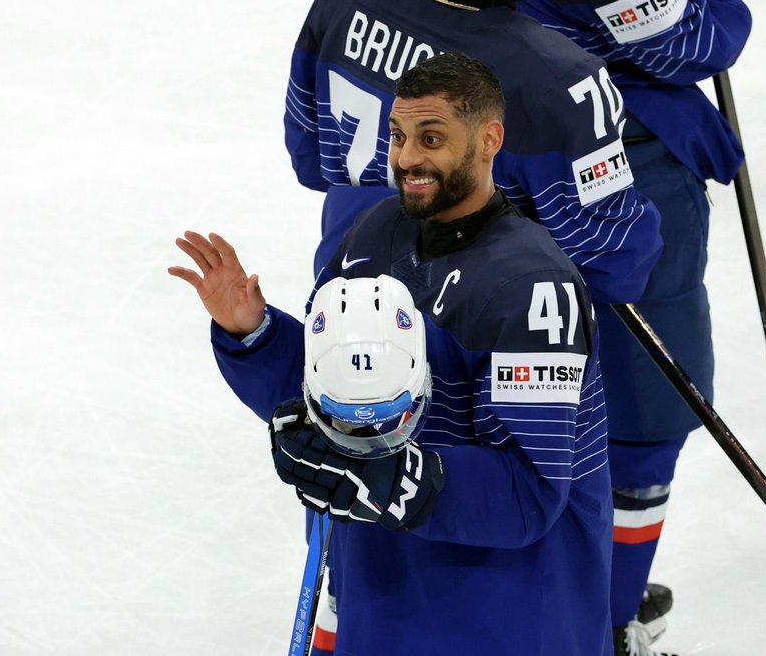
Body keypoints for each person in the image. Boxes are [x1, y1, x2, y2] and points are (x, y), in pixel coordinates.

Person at [282, 0, 671, 651]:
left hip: (350, 303)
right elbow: (621, 257)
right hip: (487, 335)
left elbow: (310, 157)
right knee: (497, 533)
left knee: (353, 513)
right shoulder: (558, 77)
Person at [171, 52, 614, 655]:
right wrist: (256, 334)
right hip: (387, 594)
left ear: (489, 141)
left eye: (431, 138)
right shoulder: (375, 236)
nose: (407, 158)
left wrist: (393, 477)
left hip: (509, 617)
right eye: (400, 136)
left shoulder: (534, 289)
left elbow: (530, 493)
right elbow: (333, 398)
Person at [515, 0, 749, 651]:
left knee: (524, 395)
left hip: (500, 158)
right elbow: (710, 42)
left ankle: (556, 594)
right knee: (648, 413)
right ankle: (604, 622)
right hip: (618, 167)